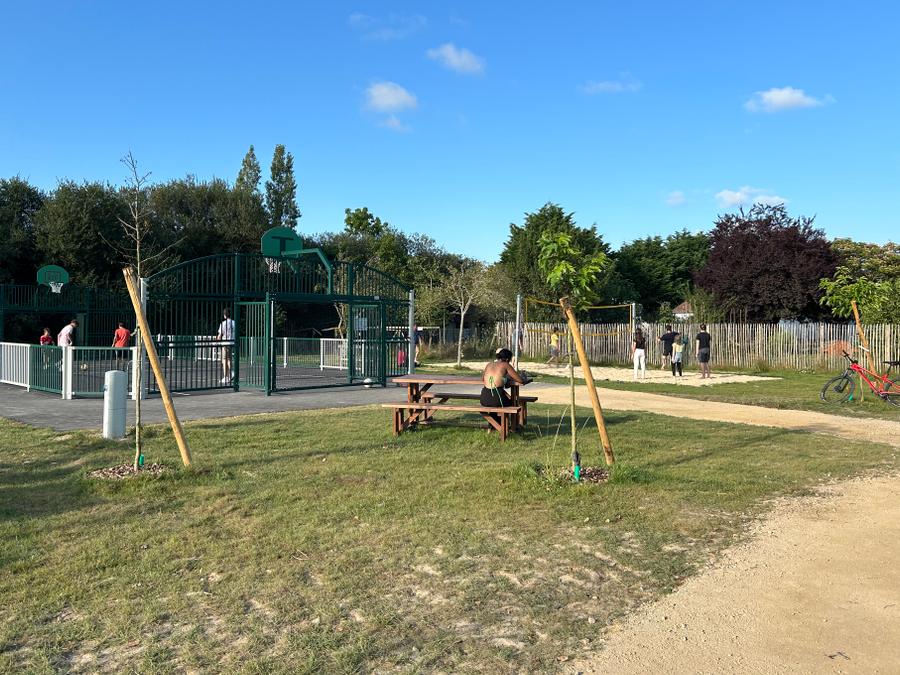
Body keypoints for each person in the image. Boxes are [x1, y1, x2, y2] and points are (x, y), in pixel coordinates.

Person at [481, 348, 525, 427]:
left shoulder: (489, 364)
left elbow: (483, 379)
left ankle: (494, 427)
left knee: (497, 404)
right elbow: (520, 380)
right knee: (515, 403)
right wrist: (522, 376)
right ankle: (514, 426)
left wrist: (502, 379)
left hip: (484, 397)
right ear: (507, 359)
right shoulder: (505, 365)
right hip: (497, 398)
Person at [216, 308, 236, 384]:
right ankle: (231, 373)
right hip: (232, 342)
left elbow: (219, 335)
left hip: (225, 343)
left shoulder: (223, 324)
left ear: (224, 315)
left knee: (224, 360)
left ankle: (226, 376)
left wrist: (217, 340)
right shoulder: (234, 323)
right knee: (229, 359)